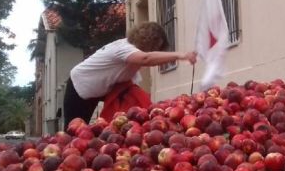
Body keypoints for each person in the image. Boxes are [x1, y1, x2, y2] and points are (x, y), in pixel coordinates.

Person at [64, 22, 197, 128]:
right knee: (74, 129)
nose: (157, 52)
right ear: (150, 42)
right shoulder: (124, 48)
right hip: (79, 87)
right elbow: (146, 59)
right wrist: (181, 55)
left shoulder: (131, 55)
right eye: (157, 47)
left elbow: (134, 88)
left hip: (99, 89)